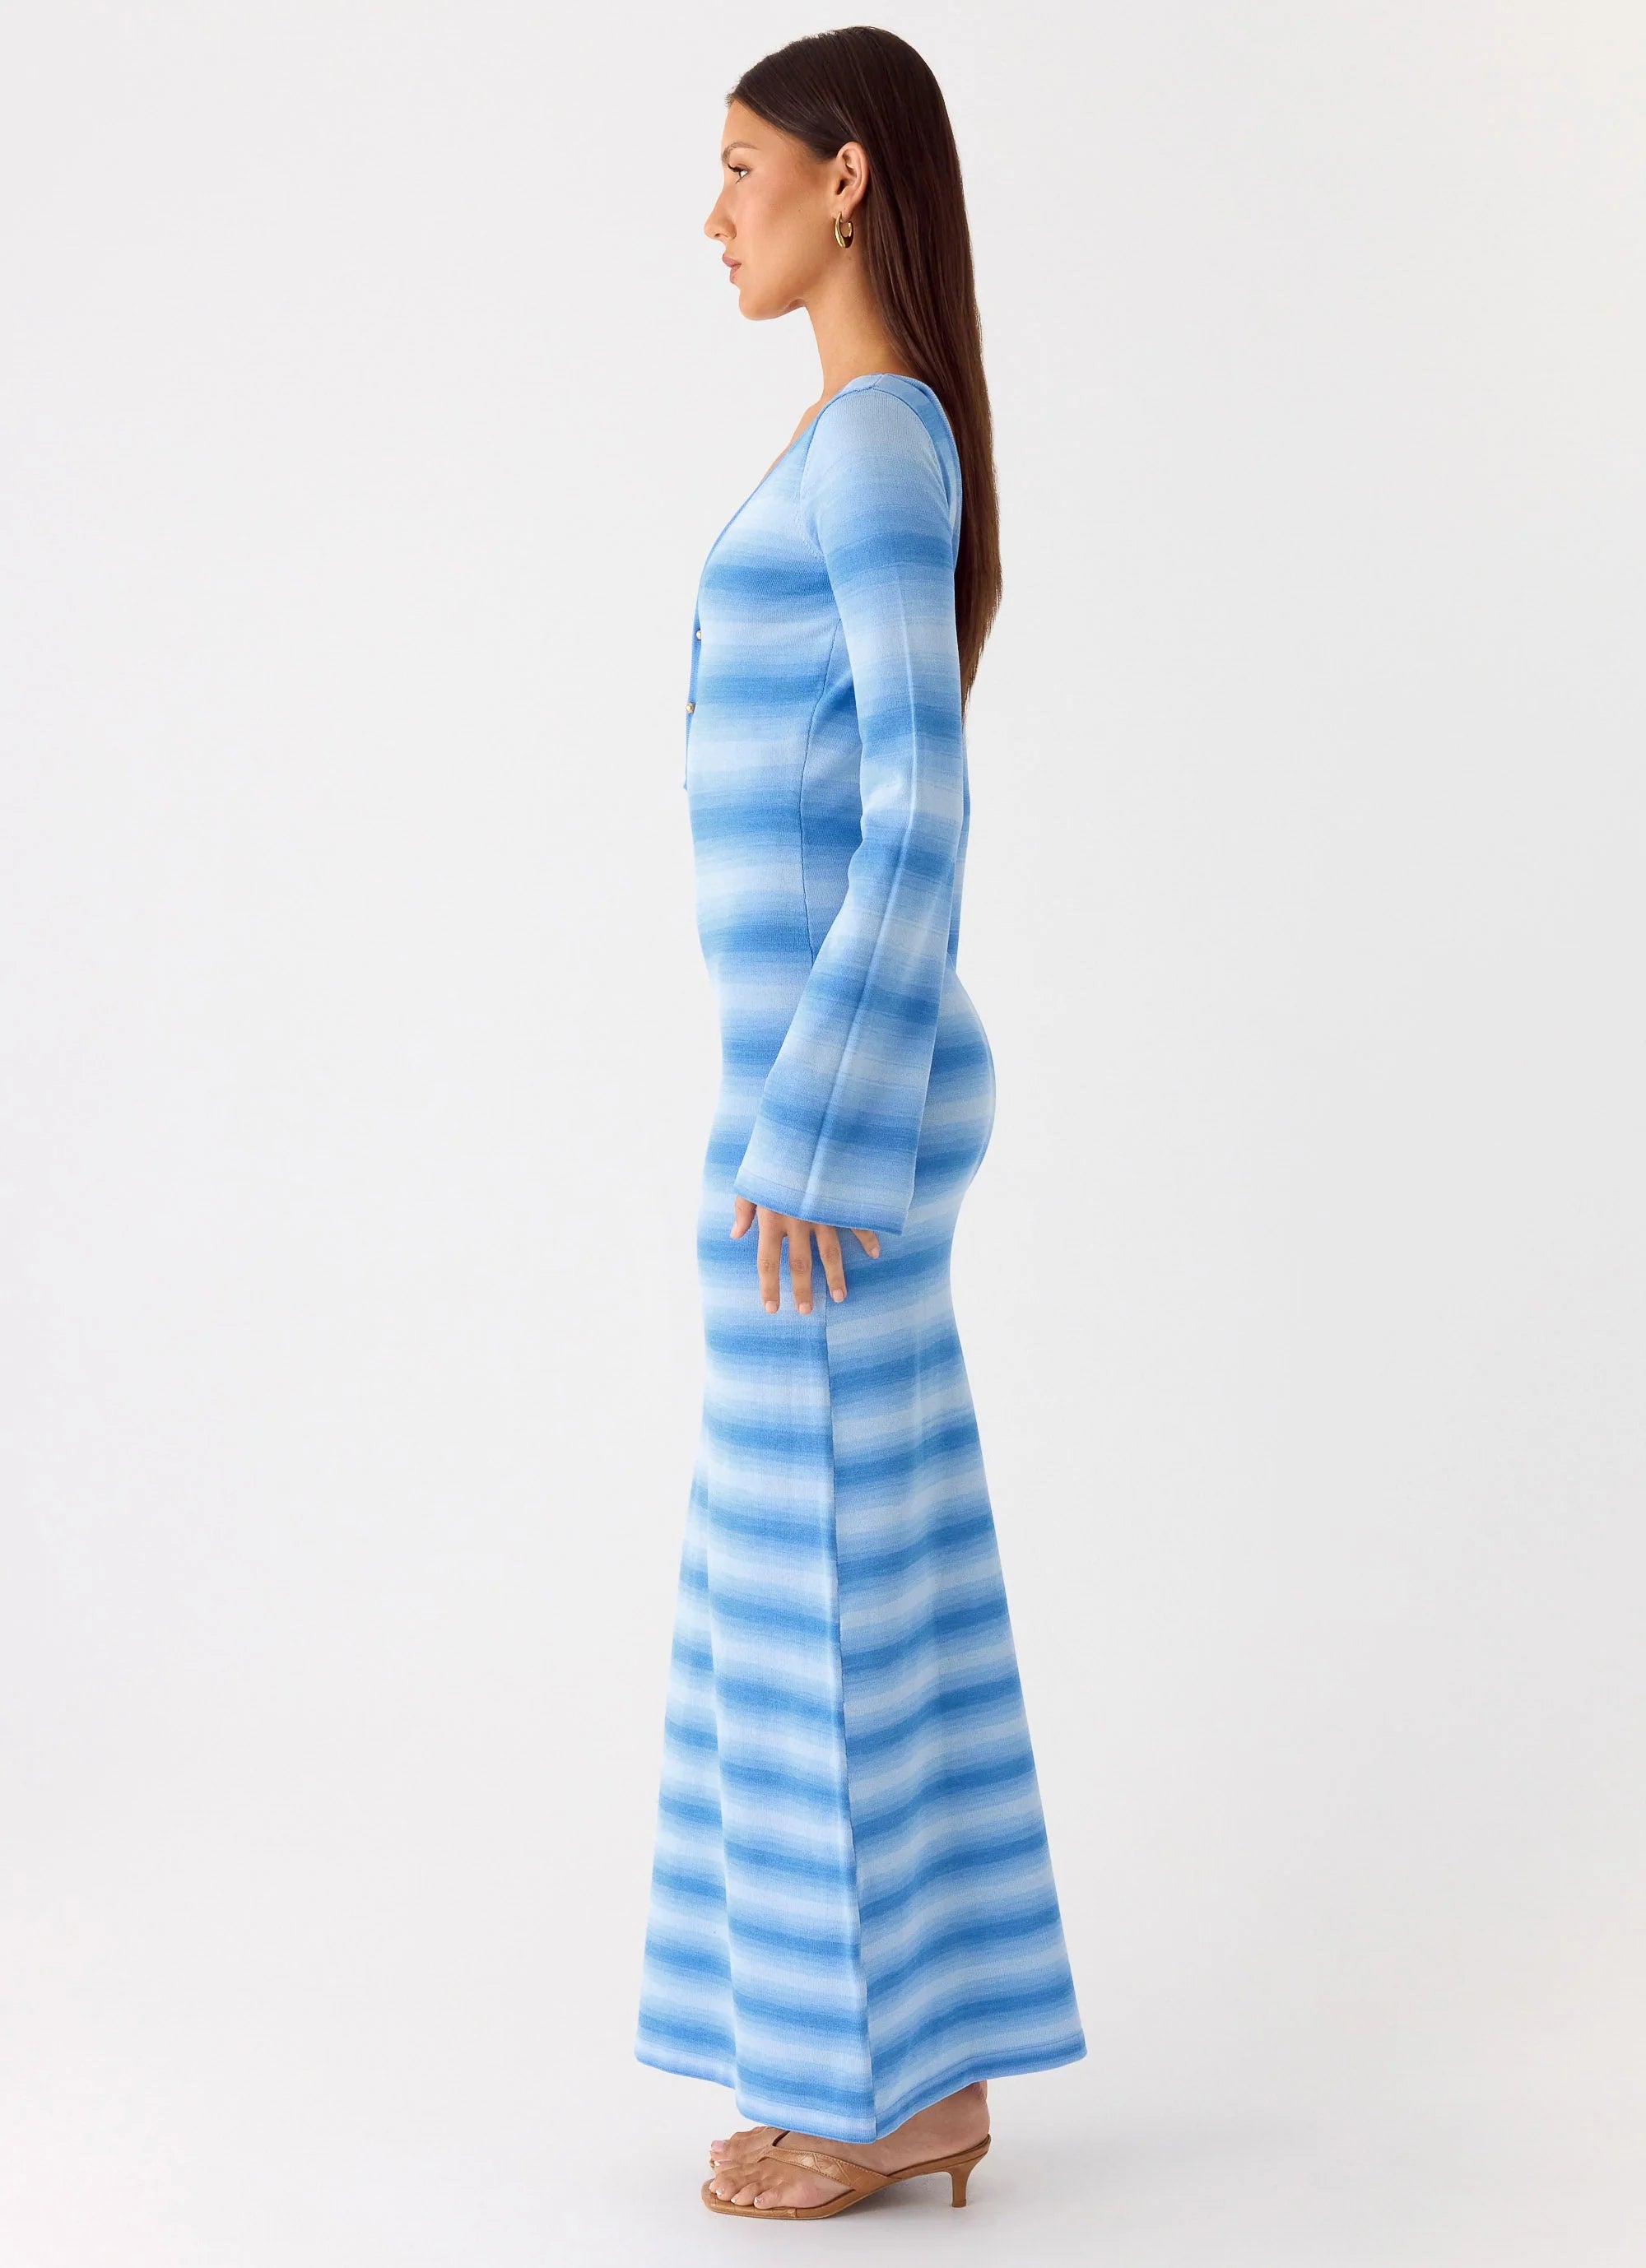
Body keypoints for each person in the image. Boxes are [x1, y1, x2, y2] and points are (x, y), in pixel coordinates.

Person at [635, 26, 1086, 2222]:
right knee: (854, 1573)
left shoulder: (881, 444)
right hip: (813, 1105)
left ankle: (855, 2092)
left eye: (742, 168)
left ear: (845, 179)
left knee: (812, 1583)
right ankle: (923, 2077)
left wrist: (818, 1124)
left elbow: (925, 794)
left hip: (825, 1126)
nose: (712, 213)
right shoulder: (861, 444)